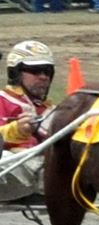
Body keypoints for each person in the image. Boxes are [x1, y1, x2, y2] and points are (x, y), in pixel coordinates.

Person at [0, 40, 56, 203]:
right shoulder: (3, 100)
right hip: (11, 167)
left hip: (44, 172)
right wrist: (18, 129)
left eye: (47, 72)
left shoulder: (52, 109)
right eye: (35, 71)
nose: (43, 77)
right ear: (16, 73)